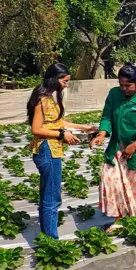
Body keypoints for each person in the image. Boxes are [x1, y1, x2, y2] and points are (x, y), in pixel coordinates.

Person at [27, 63, 97, 239]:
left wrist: (84, 127)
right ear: (54, 79)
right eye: (65, 81)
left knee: (48, 195)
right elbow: (36, 129)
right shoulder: (43, 100)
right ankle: (51, 241)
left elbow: (58, 122)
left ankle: (47, 235)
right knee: (52, 198)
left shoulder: (51, 98)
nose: (66, 84)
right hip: (46, 150)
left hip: (52, 150)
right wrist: (61, 135)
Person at [89, 63, 136, 225]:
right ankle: (119, 217)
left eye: (128, 85)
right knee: (112, 182)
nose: (124, 89)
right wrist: (102, 133)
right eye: (121, 85)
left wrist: (135, 145)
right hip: (117, 148)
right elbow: (107, 116)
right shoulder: (114, 95)